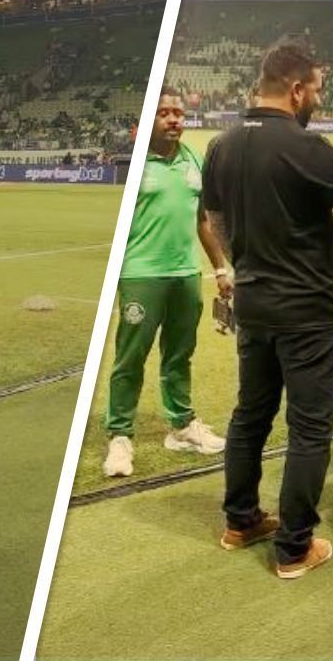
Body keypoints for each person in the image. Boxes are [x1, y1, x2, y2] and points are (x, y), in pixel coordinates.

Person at [202, 42, 333, 579]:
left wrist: (242, 263)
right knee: (309, 429)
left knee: (249, 415)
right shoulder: (309, 147)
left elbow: (214, 220)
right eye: (319, 90)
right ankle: (294, 547)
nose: (319, 101)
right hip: (307, 310)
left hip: (254, 303)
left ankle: (240, 522)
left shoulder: (222, 144)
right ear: (297, 88)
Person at [102, 86, 232, 478]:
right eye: (164, 113)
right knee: (130, 358)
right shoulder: (135, 165)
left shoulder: (193, 159)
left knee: (179, 354)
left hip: (184, 274)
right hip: (140, 273)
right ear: (147, 121)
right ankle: (120, 437)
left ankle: (181, 427)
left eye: (178, 112)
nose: (174, 119)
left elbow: (203, 221)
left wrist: (221, 269)